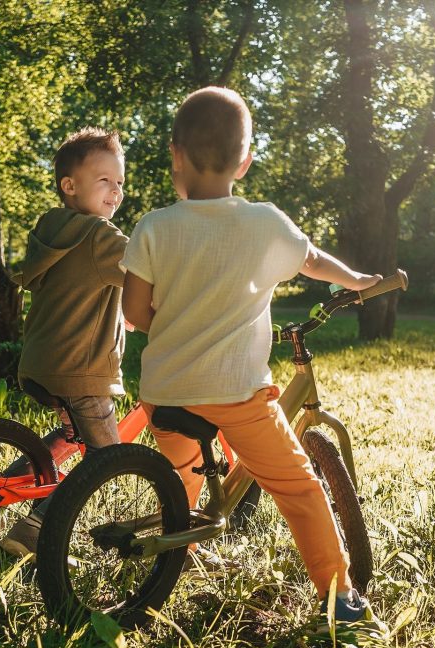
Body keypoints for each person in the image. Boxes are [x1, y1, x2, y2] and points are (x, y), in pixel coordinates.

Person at [120, 87, 381, 621]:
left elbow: (134, 314)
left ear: (176, 153)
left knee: (182, 476)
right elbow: (311, 261)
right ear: (245, 160)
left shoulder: (153, 227)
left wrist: (176, 322)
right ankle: (340, 597)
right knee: (300, 487)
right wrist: (356, 280)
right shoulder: (263, 222)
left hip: (164, 393)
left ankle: (180, 545)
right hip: (238, 393)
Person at [0, 127, 130, 558]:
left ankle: (2, 488)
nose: (116, 192)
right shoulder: (100, 236)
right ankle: (35, 529)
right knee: (106, 456)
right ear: (69, 186)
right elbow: (150, 266)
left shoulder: (53, 231)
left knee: (72, 436)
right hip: (81, 372)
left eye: (121, 183)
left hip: (39, 364)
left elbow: (82, 288)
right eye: (104, 180)